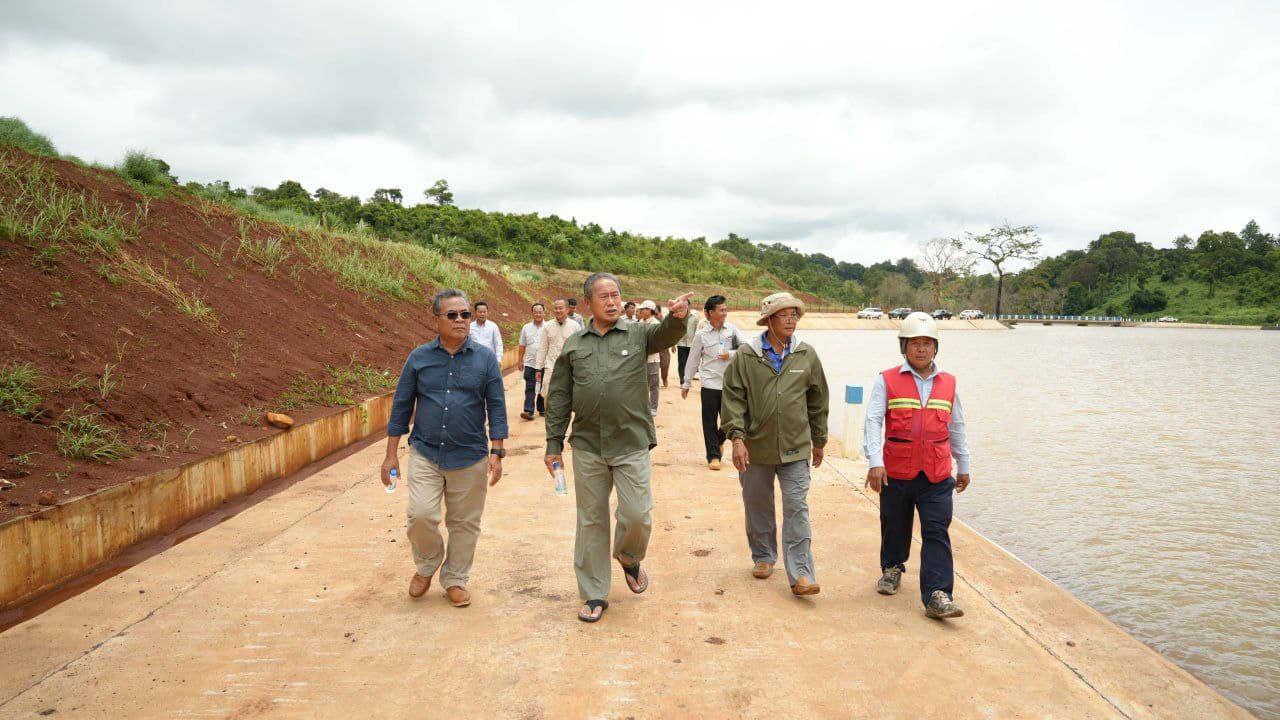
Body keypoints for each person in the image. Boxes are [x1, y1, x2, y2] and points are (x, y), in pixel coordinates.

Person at [544, 273, 692, 623]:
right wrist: (553, 443)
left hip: (631, 442)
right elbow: (560, 395)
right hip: (588, 445)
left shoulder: (639, 334)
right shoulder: (574, 345)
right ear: (588, 303)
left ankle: (628, 556)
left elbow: (667, 334)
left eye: (616, 295)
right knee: (591, 520)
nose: (612, 302)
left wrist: (678, 317)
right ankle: (594, 592)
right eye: (604, 296)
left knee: (637, 514)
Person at [382, 289, 509, 608]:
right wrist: (390, 454)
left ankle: (455, 578)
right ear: (436, 320)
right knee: (420, 515)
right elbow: (401, 406)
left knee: (465, 523)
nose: (460, 320)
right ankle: (428, 563)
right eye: (452, 315)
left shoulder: (485, 359)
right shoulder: (419, 358)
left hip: (470, 456)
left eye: (465, 314)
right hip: (426, 453)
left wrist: (497, 452)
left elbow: (496, 407)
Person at [862, 311, 971, 620]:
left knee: (936, 531)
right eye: (915, 343)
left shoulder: (949, 383)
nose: (921, 349)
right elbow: (872, 421)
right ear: (904, 347)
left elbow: (957, 426)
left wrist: (963, 464)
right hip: (896, 470)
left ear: (935, 347)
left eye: (927, 343)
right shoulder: (887, 379)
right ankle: (892, 568)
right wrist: (875, 462)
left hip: (936, 473)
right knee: (895, 523)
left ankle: (937, 594)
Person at [721, 292, 829, 597]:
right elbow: (733, 400)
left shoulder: (806, 355)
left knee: (797, 507)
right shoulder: (747, 356)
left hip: (796, 446)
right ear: (768, 320)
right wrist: (737, 438)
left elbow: (818, 399)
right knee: (757, 504)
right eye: (784, 315)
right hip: (755, 447)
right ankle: (764, 555)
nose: (791, 320)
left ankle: (801, 574)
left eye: (795, 315)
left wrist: (819, 439)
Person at [680, 295, 738, 470]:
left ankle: (719, 440)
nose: (725, 312)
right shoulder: (701, 335)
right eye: (721, 310)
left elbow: (745, 348)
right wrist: (686, 383)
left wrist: (730, 354)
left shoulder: (732, 330)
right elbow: (693, 360)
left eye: (726, 309)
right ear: (710, 313)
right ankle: (713, 456)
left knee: (731, 420)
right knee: (709, 421)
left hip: (730, 384)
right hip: (709, 383)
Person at [534, 299, 582, 407]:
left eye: (561, 308)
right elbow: (542, 348)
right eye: (556, 308)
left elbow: (579, 348)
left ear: (567, 309)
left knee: (567, 395)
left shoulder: (575, 326)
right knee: (546, 393)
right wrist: (538, 368)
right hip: (551, 366)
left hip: (568, 367)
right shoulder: (547, 326)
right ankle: (549, 413)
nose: (558, 310)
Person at [517, 302, 547, 420]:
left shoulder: (549, 327)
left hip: (544, 363)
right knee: (530, 387)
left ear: (544, 313)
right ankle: (528, 411)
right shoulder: (526, 327)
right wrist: (520, 360)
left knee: (543, 386)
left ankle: (542, 409)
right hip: (530, 363)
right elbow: (522, 345)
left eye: (540, 312)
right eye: (535, 312)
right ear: (532, 313)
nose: (538, 314)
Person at [636, 300, 662, 415]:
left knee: (653, 384)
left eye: (643, 309)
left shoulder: (655, 324)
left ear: (649, 310)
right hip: (640, 359)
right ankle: (642, 406)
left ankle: (653, 408)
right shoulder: (640, 322)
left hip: (652, 359)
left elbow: (655, 342)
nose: (641, 311)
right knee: (641, 384)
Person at [675, 303, 703, 386]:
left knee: (690, 363)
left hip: (692, 344)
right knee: (682, 363)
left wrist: (698, 344)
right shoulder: (678, 317)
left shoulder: (695, 317)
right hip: (681, 343)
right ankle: (682, 381)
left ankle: (687, 380)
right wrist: (673, 344)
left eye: (686, 305)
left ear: (689, 306)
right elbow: (675, 331)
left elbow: (697, 331)